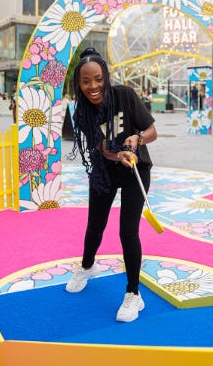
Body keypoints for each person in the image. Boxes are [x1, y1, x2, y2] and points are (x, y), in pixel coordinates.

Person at [67, 47, 157, 323]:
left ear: (105, 76)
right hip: (105, 171)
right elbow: (104, 148)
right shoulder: (82, 113)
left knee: (128, 231)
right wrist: (118, 154)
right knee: (95, 224)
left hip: (136, 171)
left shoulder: (125, 95)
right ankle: (87, 267)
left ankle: (133, 294)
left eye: (97, 79)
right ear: (78, 84)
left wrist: (136, 140)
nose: (92, 86)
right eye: (85, 81)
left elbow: (153, 131)